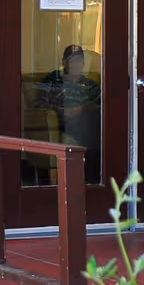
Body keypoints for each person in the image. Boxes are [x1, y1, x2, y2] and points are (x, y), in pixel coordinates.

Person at [37, 44, 101, 182]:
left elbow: (104, 105)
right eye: (72, 60)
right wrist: (65, 111)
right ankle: (94, 179)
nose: (76, 64)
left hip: (88, 123)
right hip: (64, 123)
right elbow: (40, 106)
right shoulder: (54, 80)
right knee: (90, 110)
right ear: (64, 62)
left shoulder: (90, 85)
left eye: (79, 60)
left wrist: (81, 109)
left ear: (83, 64)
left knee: (92, 109)